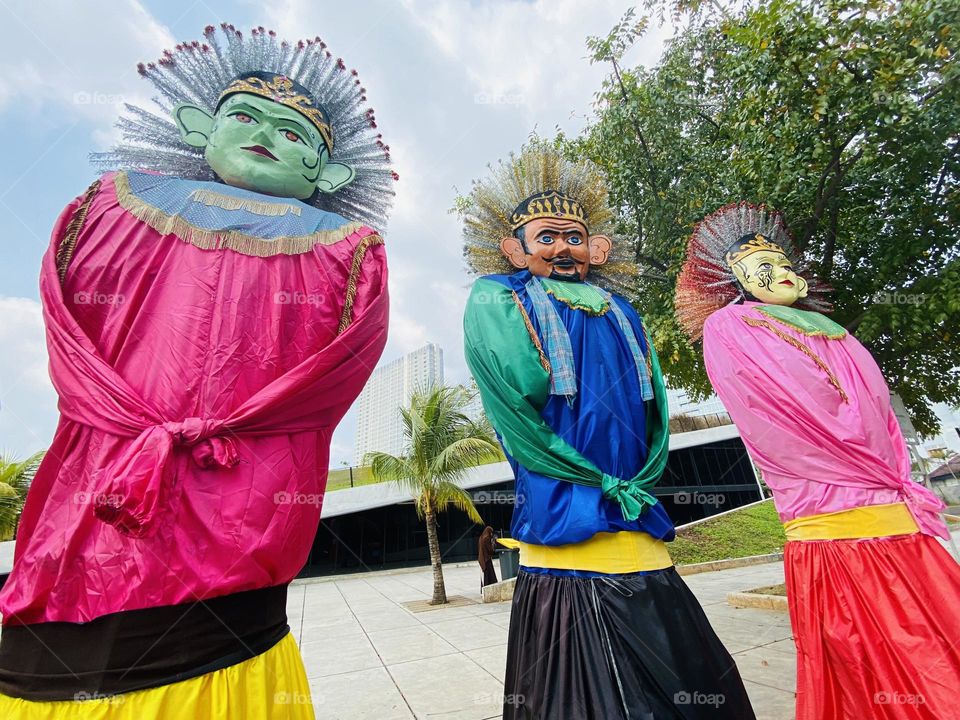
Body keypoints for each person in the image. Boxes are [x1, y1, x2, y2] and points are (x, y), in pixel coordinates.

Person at [0, 25, 395, 719]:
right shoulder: (108, 204)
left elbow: (329, 381)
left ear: (328, 176)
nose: (266, 134)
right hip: (101, 502)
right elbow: (71, 345)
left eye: (295, 133)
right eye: (244, 116)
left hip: (232, 534)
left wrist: (183, 430)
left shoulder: (350, 252)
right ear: (199, 130)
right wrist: (141, 427)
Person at [460, 143, 755, 720]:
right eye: (545, 237)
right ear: (512, 249)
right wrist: (584, 473)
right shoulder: (501, 296)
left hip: (634, 500)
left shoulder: (622, 308)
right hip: (563, 503)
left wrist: (639, 476)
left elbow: (655, 408)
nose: (562, 247)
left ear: (597, 248)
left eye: (573, 236)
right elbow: (518, 398)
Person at [676, 201, 960, 720]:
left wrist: (885, 467)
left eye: (784, 264)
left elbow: (879, 411)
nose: (780, 273)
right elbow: (783, 415)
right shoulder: (730, 328)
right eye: (762, 270)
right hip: (838, 527)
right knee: (877, 673)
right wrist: (858, 457)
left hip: (900, 519)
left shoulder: (832, 330)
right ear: (735, 284)